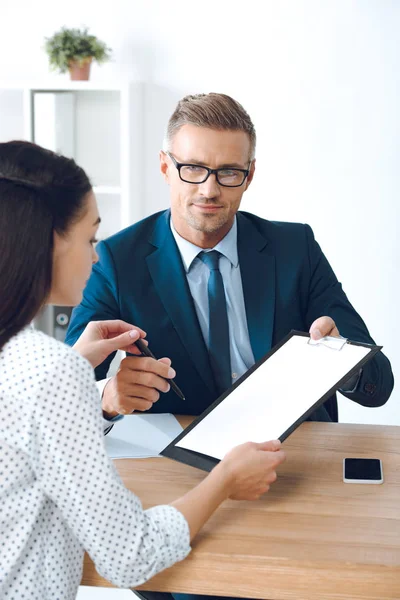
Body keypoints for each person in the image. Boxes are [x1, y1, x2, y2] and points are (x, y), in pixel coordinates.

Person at [0, 140, 286, 600]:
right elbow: (130, 555)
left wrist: (75, 366)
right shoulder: (51, 369)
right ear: (51, 239)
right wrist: (225, 481)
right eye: (90, 238)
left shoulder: (34, 362)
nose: (96, 256)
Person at [66, 92, 393, 425]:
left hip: (294, 446)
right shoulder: (116, 261)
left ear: (249, 176)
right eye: (193, 168)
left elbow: (378, 387)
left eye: (228, 173)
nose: (209, 190)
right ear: (166, 167)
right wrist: (106, 397)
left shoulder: (297, 249)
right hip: (178, 457)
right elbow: (66, 386)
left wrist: (342, 361)